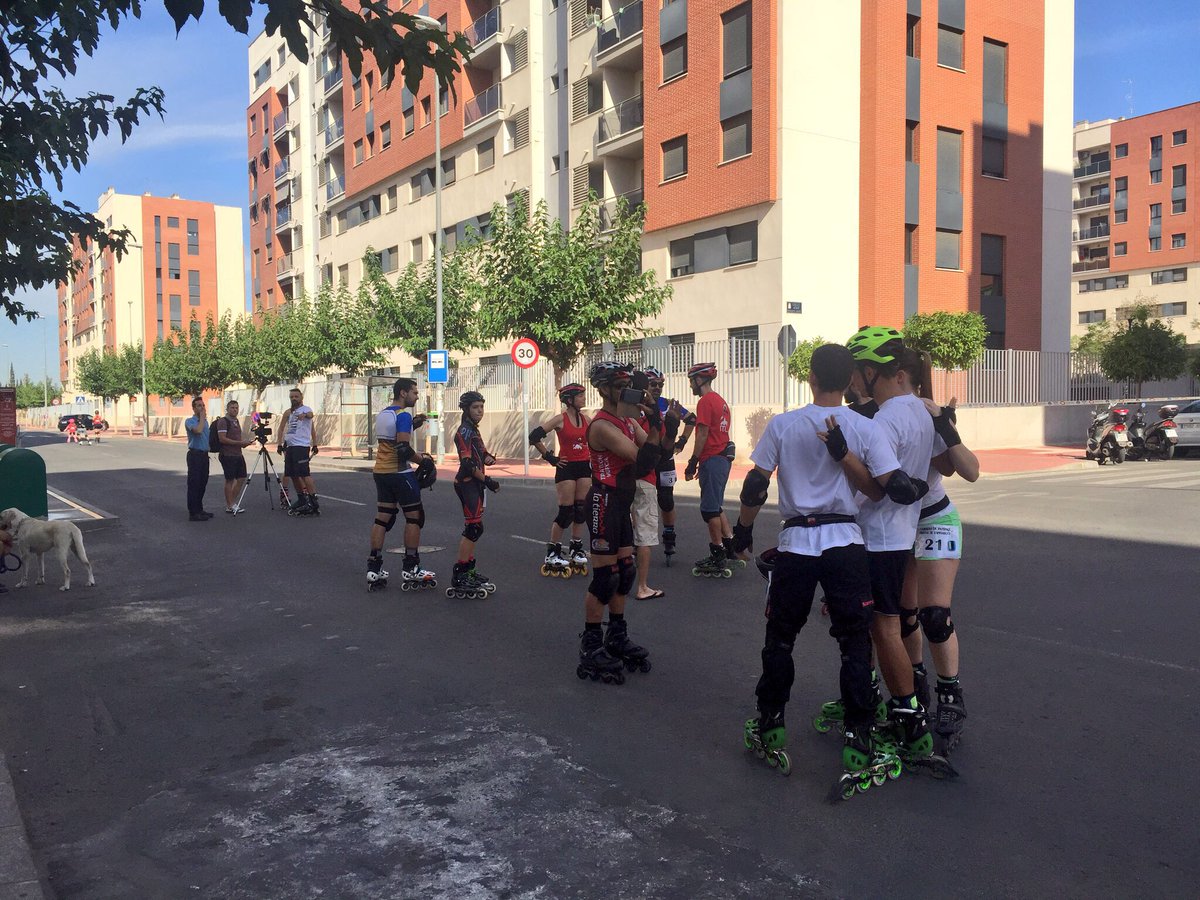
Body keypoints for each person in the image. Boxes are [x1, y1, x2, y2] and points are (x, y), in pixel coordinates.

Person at [731, 344, 925, 793]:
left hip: (797, 542)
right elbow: (882, 491)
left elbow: (756, 485)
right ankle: (859, 736)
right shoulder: (864, 427)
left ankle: (771, 725)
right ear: (851, 380)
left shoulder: (783, 425)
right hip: (845, 542)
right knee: (855, 644)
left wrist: (742, 532)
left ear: (812, 378)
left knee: (780, 638)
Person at [841, 327, 946, 766]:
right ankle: (900, 707)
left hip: (879, 535)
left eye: (856, 376)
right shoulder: (919, 411)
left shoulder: (885, 419)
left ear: (870, 373)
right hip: (899, 535)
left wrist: (841, 456)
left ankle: (909, 718)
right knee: (884, 626)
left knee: (883, 629)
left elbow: (881, 486)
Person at [898, 355, 980, 753]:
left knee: (933, 614)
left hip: (933, 518)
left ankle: (951, 692)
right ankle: (915, 681)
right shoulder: (874, 417)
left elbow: (968, 470)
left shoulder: (925, 415)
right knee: (902, 614)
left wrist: (944, 426)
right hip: (897, 525)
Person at [575, 362, 665, 684]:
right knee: (605, 579)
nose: (625, 390)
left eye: (627, 384)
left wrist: (657, 420)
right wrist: (653, 426)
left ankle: (616, 634)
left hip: (621, 504)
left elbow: (659, 454)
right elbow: (642, 461)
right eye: (618, 385)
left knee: (625, 572)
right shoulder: (602, 426)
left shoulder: (627, 420)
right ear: (603, 389)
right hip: (603, 502)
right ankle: (590, 645)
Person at [367, 378, 436, 592]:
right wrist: (423, 460)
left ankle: (374, 568)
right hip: (399, 473)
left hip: (380, 472)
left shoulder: (384, 414)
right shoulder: (403, 415)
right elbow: (403, 449)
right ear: (404, 393)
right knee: (414, 517)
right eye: (415, 392)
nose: (417, 396)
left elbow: (391, 437)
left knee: (382, 518)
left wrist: (414, 423)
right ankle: (411, 567)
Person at [683, 362, 740, 576]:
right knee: (716, 505)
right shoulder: (721, 401)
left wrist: (693, 460)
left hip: (712, 458)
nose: (691, 385)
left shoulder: (706, 402)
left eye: (691, 381)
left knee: (709, 510)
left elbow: (703, 434)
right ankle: (729, 548)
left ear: (700, 380)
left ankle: (717, 555)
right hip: (721, 459)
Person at [529, 383, 592, 577]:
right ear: (570, 400)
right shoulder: (560, 419)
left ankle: (575, 547)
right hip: (566, 468)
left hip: (584, 467)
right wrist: (550, 458)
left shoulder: (587, 419)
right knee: (566, 512)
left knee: (581, 509)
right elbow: (534, 436)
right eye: (580, 396)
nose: (583, 398)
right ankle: (553, 553)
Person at [449, 391, 499, 598]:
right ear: (466, 409)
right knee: (473, 527)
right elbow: (467, 464)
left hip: (476, 483)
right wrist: (487, 480)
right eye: (475, 407)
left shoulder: (474, 430)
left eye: (481, 407)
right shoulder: (464, 431)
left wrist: (488, 458)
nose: (480, 411)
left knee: (476, 528)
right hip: (468, 483)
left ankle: (469, 569)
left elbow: (481, 453)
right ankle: (459, 574)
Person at [645, 367, 695, 564]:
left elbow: (691, 419)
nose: (657, 388)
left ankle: (669, 536)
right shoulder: (638, 403)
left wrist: (682, 441)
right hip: (645, 459)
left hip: (665, 458)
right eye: (653, 384)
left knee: (666, 499)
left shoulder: (667, 404)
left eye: (660, 385)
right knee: (639, 499)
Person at [277, 388, 319, 516]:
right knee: (292, 474)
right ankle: (301, 498)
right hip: (290, 446)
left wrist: (315, 444)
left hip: (301, 446)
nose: (294, 399)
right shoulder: (288, 412)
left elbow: (311, 416)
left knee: (304, 473)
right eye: (291, 397)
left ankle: (313, 501)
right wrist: (279, 444)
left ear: (301, 397)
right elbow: (281, 428)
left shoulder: (305, 409)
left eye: (296, 396)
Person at [216, 400, 255, 514]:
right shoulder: (223, 421)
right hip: (228, 455)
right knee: (230, 480)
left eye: (236, 408)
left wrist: (244, 442)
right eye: (232, 408)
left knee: (242, 478)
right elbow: (222, 439)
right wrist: (239, 443)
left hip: (238, 454)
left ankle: (232, 502)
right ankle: (230, 505)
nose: (235, 410)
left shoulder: (236, 421)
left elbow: (238, 437)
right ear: (227, 409)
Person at [184, 397, 213, 521]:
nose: (202, 408)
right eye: (199, 406)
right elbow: (198, 431)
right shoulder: (190, 421)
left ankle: (199, 509)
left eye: (203, 405)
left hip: (204, 455)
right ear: (194, 408)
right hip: (195, 455)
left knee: (202, 483)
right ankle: (193, 512)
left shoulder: (205, 421)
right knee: (194, 484)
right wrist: (202, 417)